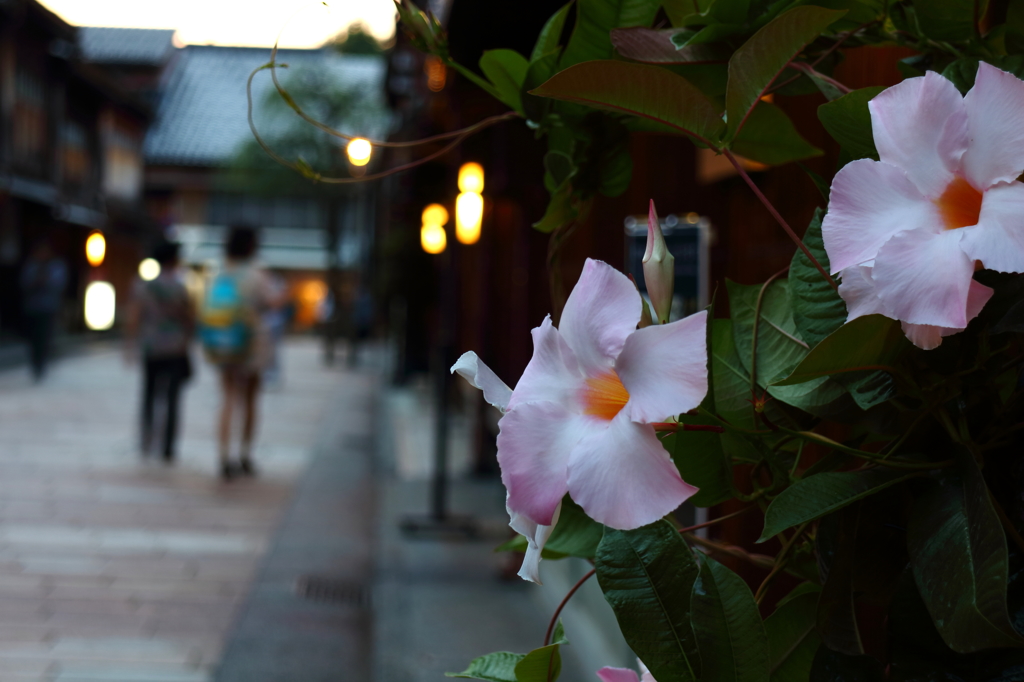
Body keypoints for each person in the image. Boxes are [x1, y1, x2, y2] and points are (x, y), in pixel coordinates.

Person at [201, 226, 282, 480]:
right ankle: (245, 455)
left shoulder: (217, 271)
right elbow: (271, 303)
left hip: (221, 343)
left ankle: (224, 456)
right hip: (250, 344)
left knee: (226, 398)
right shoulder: (257, 273)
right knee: (249, 400)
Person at [125, 242, 194, 461]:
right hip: (175, 347)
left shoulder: (143, 285)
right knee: (172, 398)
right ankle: (168, 447)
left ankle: (146, 439)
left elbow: (134, 317)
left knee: (149, 394)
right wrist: (187, 341)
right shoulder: (180, 285)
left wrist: (130, 344)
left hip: (151, 346)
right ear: (173, 259)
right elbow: (189, 318)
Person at [19, 240, 68, 381]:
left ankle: (41, 365)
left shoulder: (56, 267)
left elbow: (59, 285)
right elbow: (24, 283)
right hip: (33, 308)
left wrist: (45, 281)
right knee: (33, 338)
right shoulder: (31, 266)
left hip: (48, 308)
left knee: (45, 337)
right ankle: (34, 363)